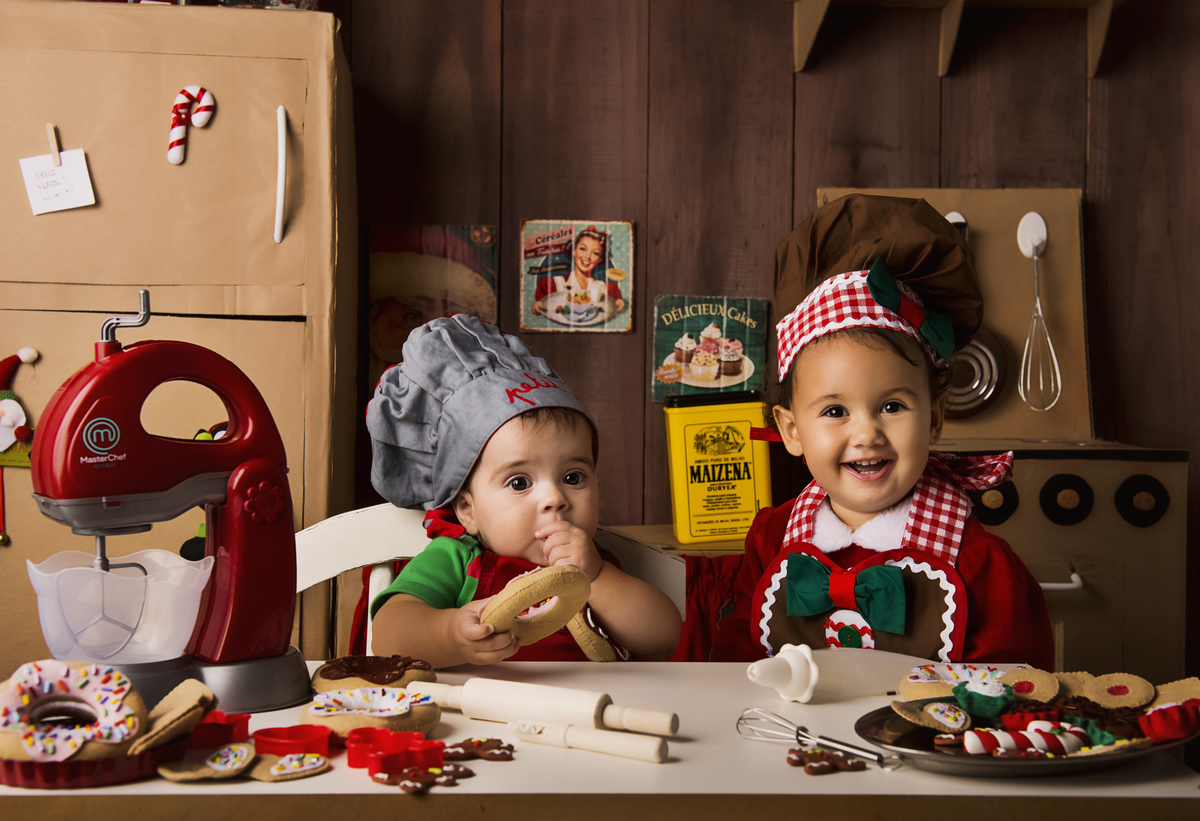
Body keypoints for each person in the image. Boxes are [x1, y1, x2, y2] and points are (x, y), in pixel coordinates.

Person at [678, 195, 1054, 670]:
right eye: (835, 410)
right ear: (792, 431)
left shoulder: (982, 564)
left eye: (892, 406)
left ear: (935, 418)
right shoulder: (771, 539)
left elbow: (1012, 685)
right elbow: (740, 652)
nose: (867, 433)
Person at [366, 314, 680, 668]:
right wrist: (450, 636)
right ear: (467, 509)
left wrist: (597, 576)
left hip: (588, 714)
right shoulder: (457, 558)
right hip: (482, 715)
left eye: (573, 477)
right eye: (519, 483)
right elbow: (388, 633)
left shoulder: (593, 562)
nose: (555, 498)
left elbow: (663, 641)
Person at [530, 226, 626, 317]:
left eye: (595, 253)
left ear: (600, 259)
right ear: (574, 251)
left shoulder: (609, 289)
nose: (588, 257)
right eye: (582, 249)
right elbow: (543, 315)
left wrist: (620, 304)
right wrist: (537, 306)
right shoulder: (549, 285)